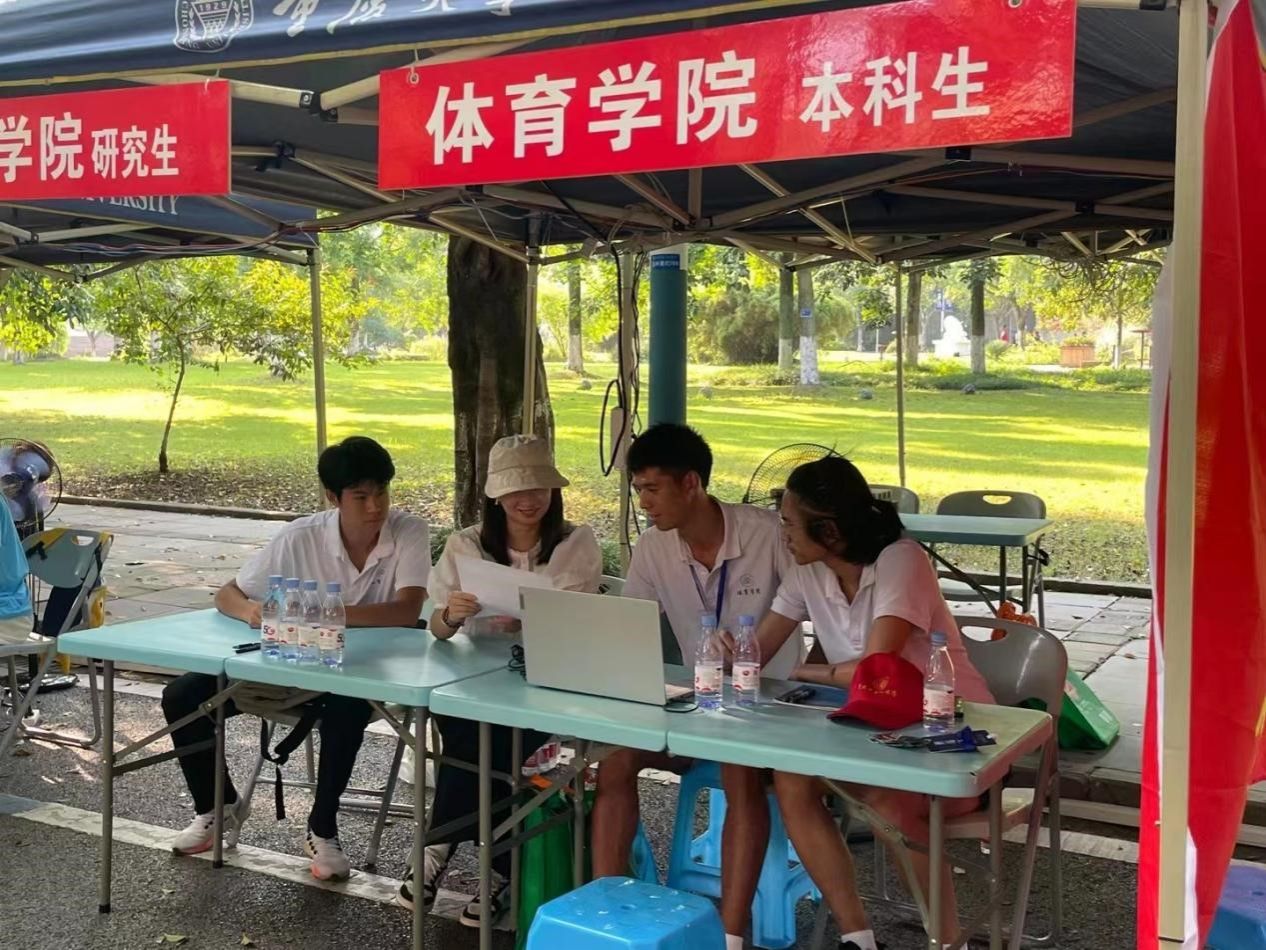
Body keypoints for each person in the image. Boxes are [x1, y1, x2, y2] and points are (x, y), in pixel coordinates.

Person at [162, 436, 430, 881]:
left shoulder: (408, 530)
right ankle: (217, 806)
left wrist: (319, 614)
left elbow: (406, 610)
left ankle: (322, 828)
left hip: (365, 670)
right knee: (182, 695)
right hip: (291, 660)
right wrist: (251, 611)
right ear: (333, 497)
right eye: (360, 496)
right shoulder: (299, 536)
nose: (375, 506)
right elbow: (228, 593)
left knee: (347, 704)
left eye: (382, 492)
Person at [754, 455, 994, 950]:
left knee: (887, 798)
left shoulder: (901, 559)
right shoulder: (807, 572)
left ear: (830, 531)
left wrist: (806, 670)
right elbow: (754, 652)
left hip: (956, 735)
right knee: (791, 778)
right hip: (874, 732)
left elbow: (877, 666)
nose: (784, 534)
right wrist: (724, 653)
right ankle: (857, 937)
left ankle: (948, 941)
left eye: (790, 523)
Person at [590, 422, 804, 950]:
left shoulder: (767, 535)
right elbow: (630, 627)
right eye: (637, 489)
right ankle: (604, 912)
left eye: (652, 488)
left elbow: (817, 607)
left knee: (739, 771)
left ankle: (729, 933)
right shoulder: (653, 547)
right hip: (694, 706)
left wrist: (803, 684)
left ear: (691, 483)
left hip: (766, 707)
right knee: (613, 763)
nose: (643, 503)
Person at [398, 434, 602, 926]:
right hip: (471, 678)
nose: (528, 500)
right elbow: (438, 630)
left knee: (486, 743)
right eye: (515, 490)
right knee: (472, 731)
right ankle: (501, 868)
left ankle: (439, 845)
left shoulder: (575, 542)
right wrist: (452, 612)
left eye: (538, 488)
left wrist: (533, 618)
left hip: (546, 680)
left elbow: (577, 619)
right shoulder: (466, 544)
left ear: (554, 491)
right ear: (495, 495)